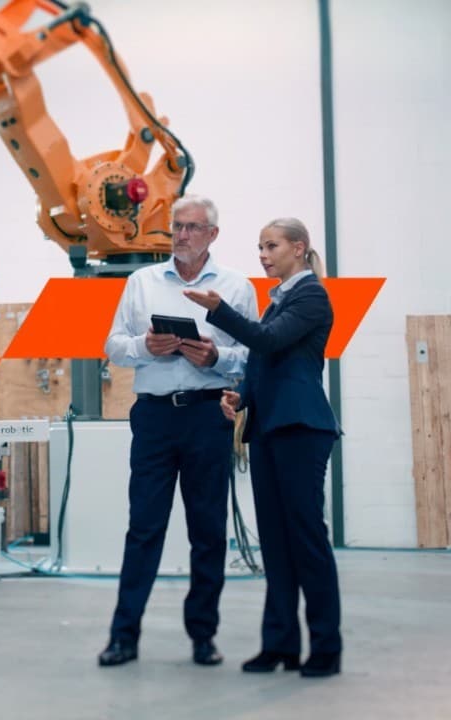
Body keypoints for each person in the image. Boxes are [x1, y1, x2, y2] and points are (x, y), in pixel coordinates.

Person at [98, 195, 259, 668]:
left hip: (208, 417)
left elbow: (253, 354)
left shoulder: (236, 286)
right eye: (177, 227)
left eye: (192, 228)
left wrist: (217, 358)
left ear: (212, 235)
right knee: (144, 528)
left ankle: (203, 636)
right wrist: (146, 346)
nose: (182, 236)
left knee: (207, 531)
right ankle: (123, 637)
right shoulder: (141, 282)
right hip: (154, 418)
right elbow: (113, 346)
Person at [183, 217, 342, 678]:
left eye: (271, 246)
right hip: (272, 428)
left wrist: (220, 310)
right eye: (259, 247)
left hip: (301, 429)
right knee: (275, 543)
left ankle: (326, 648)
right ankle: (281, 645)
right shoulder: (280, 303)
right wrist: (242, 396)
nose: (263, 255)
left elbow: (268, 341)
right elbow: (267, 362)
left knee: (306, 540)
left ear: (299, 248)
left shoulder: (311, 295)